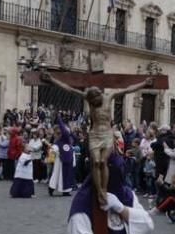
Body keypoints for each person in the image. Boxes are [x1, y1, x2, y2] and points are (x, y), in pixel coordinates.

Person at [42, 72, 154, 205]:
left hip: (107, 133)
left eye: (95, 101)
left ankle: (104, 189)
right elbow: (70, 89)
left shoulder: (109, 96)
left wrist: (144, 83)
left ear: (99, 95)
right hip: (94, 134)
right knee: (95, 162)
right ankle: (100, 191)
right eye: (92, 102)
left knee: (102, 161)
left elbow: (128, 88)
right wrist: (52, 79)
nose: (94, 103)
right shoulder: (89, 98)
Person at [49, 115, 76, 196]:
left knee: (67, 176)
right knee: (56, 174)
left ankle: (66, 191)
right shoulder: (58, 142)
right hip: (60, 160)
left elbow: (66, 132)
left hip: (68, 161)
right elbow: (53, 150)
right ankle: (51, 188)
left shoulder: (67, 140)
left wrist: (60, 120)